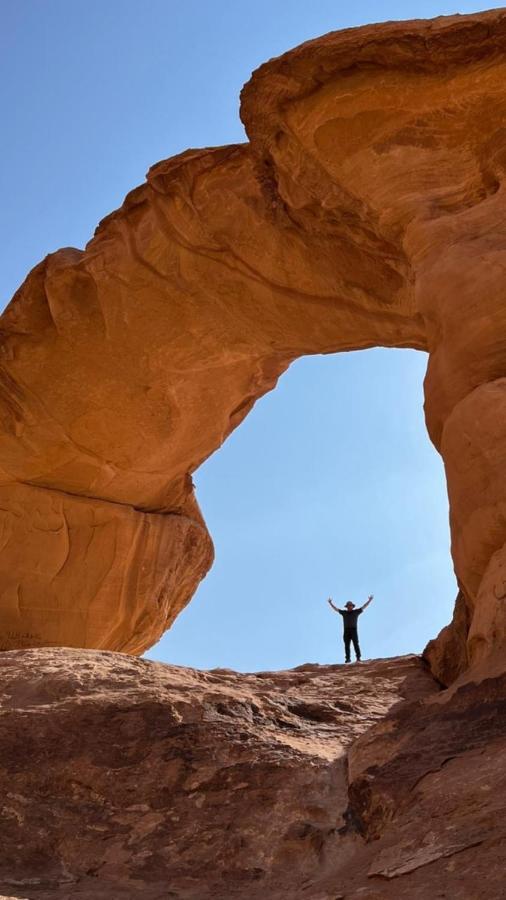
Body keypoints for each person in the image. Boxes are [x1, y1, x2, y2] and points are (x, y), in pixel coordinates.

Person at [327, 594, 374, 663]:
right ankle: (348, 659)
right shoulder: (344, 612)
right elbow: (336, 609)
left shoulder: (356, 612)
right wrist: (330, 603)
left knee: (356, 643)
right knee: (347, 645)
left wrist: (369, 600)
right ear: (347, 607)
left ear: (352, 606)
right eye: (348, 605)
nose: (349, 606)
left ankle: (358, 657)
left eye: (350, 605)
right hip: (346, 630)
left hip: (353, 630)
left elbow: (364, 606)